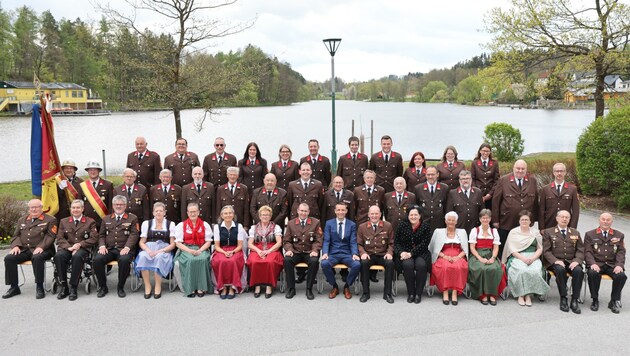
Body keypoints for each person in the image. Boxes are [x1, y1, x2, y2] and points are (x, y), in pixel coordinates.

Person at [3, 199, 58, 299]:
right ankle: (14, 287)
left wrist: (41, 247)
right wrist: (16, 246)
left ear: (41, 208)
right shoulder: (22, 220)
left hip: (45, 249)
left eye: (36, 207)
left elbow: (50, 236)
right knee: (9, 258)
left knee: (37, 258)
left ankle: (39, 287)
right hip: (24, 249)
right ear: (28, 209)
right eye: (31, 207)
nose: (34, 209)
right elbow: (16, 236)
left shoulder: (50, 219)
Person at [94, 195, 140, 298]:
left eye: (121, 204)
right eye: (116, 204)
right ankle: (103, 287)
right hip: (109, 249)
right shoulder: (106, 219)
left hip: (124, 249)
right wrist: (102, 246)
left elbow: (134, 234)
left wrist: (127, 247)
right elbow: (101, 235)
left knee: (124, 260)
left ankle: (120, 287)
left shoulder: (132, 218)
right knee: (97, 260)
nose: (118, 206)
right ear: (113, 206)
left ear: (125, 206)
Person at [501, 210, 549, 307]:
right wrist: (523, 259)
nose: (524, 221)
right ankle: (520, 294)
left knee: (534, 270)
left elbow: (540, 248)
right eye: (522, 219)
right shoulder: (513, 232)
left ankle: (528, 295)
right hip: (518, 256)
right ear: (519, 221)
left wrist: (533, 258)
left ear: (530, 221)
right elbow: (512, 250)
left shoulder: (535, 233)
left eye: (526, 220)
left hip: (533, 256)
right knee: (521, 270)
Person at [492, 159, 539, 257]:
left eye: (523, 169)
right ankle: (503, 267)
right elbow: (496, 201)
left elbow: (535, 201)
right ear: (513, 168)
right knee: (504, 247)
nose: (520, 171)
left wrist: (533, 218)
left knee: (522, 247)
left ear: (526, 170)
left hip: (525, 222)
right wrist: (495, 220)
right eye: (518, 168)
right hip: (506, 221)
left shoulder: (532, 180)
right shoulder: (504, 180)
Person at [54, 199, 98, 301]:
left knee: (77, 257)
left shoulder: (90, 221)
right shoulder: (64, 221)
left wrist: (80, 245)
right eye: (73, 208)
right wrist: (69, 247)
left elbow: (94, 238)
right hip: (67, 247)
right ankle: (64, 286)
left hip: (83, 248)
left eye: (78, 207)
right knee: (58, 256)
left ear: (82, 209)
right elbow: (60, 238)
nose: (75, 210)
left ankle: (73, 287)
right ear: (70, 209)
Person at [542, 210, 584, 313]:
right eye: (562, 217)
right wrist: (555, 261)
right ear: (557, 218)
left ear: (569, 220)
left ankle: (574, 299)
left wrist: (577, 261)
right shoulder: (549, 232)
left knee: (579, 271)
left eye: (567, 217)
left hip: (571, 261)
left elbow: (580, 250)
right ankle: (563, 297)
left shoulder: (575, 232)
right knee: (560, 271)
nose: (564, 219)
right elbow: (546, 251)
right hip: (555, 262)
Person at [584, 212, 626, 314]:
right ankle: (595, 300)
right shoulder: (590, 234)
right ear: (599, 220)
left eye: (608, 220)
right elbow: (587, 252)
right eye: (603, 219)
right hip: (597, 263)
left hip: (612, 265)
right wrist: (592, 264)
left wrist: (619, 265)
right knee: (592, 273)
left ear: (612, 222)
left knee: (621, 276)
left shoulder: (619, 235)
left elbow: (621, 252)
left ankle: (613, 301)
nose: (605, 222)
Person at [135, 202, 176, 299]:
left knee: (159, 257)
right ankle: (147, 285)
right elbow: (141, 242)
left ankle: (158, 285)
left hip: (164, 249)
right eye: (156, 211)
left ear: (164, 212)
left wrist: (160, 251)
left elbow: (173, 244)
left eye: (161, 211)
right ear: (153, 212)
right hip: (149, 247)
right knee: (143, 256)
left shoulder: (170, 224)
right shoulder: (147, 223)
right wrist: (147, 250)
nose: (158, 213)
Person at [321, 203, 360, 299]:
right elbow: (326, 240)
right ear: (335, 211)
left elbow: (353, 241)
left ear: (346, 211)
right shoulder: (329, 223)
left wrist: (354, 253)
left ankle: (347, 286)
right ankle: (335, 286)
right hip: (333, 253)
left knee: (357, 265)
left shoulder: (352, 225)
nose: (340, 212)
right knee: (324, 263)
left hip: (347, 253)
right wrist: (325, 253)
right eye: (338, 210)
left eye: (343, 210)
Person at [283, 203, 323, 300]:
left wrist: (314, 250)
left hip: (309, 251)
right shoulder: (291, 223)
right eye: (301, 211)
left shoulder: (316, 222)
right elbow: (286, 240)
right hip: (296, 251)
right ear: (297, 211)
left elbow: (318, 240)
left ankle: (309, 289)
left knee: (314, 261)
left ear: (309, 212)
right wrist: (289, 250)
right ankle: (291, 288)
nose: (303, 213)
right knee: (287, 260)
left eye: (305, 211)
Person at [429, 211, 469, 306]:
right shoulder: (438, 231)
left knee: (459, 267)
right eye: (449, 220)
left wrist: (458, 257)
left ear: (456, 222)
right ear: (446, 221)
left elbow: (465, 249)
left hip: (458, 255)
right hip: (443, 254)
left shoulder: (462, 232)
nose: (451, 222)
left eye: (453, 220)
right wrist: (444, 256)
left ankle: (455, 292)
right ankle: (445, 292)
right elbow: (433, 247)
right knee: (445, 267)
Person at [394, 205, 432, 304]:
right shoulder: (402, 225)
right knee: (407, 265)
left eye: (416, 215)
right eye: (411, 215)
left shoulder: (425, 226)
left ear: (420, 216)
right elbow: (396, 242)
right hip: (405, 252)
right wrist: (401, 252)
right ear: (408, 216)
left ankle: (418, 293)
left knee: (421, 265)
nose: (413, 217)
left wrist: (411, 253)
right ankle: (411, 293)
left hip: (421, 253)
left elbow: (424, 244)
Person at [357, 206, 395, 303]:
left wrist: (389, 253)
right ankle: (365, 292)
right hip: (369, 254)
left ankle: (387, 293)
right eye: (372, 214)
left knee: (390, 264)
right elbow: (359, 244)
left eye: (376, 213)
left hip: (382, 254)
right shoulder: (362, 227)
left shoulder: (387, 226)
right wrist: (363, 253)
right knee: (363, 263)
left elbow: (392, 243)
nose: (374, 216)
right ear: (368, 214)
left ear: (380, 214)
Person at [174, 202, 213, 298]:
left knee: (202, 259)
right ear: (187, 213)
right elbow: (178, 243)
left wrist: (200, 250)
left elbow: (208, 242)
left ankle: (201, 287)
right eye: (190, 212)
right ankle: (190, 287)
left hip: (201, 248)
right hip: (186, 248)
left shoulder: (205, 225)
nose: (193, 214)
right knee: (191, 260)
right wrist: (189, 250)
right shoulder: (181, 225)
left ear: (198, 212)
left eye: (195, 211)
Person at [467, 209, 505, 306]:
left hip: (490, 254)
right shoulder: (475, 231)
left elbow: (496, 248)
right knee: (481, 268)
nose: (485, 220)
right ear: (480, 219)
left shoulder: (494, 231)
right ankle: (482, 294)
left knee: (494, 268)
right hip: (477, 255)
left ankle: (492, 294)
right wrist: (480, 258)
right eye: (483, 218)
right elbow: (472, 248)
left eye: (487, 218)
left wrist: (493, 258)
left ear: (490, 219)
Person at [247, 206, 284, 298]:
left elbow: (279, 243)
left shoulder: (276, 227)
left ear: (270, 216)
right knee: (254, 261)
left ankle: (269, 285)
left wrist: (269, 251)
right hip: (257, 248)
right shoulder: (253, 228)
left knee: (270, 262)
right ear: (259, 216)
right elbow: (250, 244)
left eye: (267, 215)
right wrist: (259, 251)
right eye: (263, 215)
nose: (265, 217)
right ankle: (257, 285)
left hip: (272, 248)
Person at [211, 205, 248, 299]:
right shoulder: (217, 227)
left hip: (235, 249)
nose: (228, 215)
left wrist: (233, 252)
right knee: (221, 261)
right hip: (221, 249)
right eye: (225, 213)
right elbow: (217, 246)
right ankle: (222, 287)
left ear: (233, 214)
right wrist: (224, 252)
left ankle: (232, 287)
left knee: (233, 261)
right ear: (222, 215)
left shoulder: (239, 226)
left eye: (230, 213)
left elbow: (240, 245)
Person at [538, 163, 580, 230]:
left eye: (562, 171)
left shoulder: (572, 189)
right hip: (549, 224)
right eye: (557, 171)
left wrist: (573, 227)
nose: (559, 173)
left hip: (566, 225)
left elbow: (575, 210)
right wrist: (541, 227)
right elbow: (541, 210)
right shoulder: (545, 189)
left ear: (565, 172)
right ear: (553, 173)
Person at [414, 166, 450, 234]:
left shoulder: (444, 188)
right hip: (423, 223)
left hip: (439, 224)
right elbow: (416, 207)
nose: (430, 176)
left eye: (433, 174)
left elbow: (447, 206)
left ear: (437, 175)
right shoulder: (418, 188)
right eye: (428, 174)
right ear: (425, 175)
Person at [80, 160, 114, 229]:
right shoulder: (82, 185)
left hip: (103, 220)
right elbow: (80, 204)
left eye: (95, 170)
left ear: (99, 171)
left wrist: (110, 219)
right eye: (90, 170)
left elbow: (111, 204)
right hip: (87, 221)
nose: (93, 172)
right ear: (88, 171)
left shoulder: (108, 185)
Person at [470, 143, 499, 210]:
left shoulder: (494, 163)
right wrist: (478, 192)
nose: (485, 153)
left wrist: (490, 194)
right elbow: (472, 179)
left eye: (487, 151)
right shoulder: (474, 163)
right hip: (478, 194)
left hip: (491, 195)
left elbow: (496, 180)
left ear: (490, 152)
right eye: (483, 151)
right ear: (480, 151)